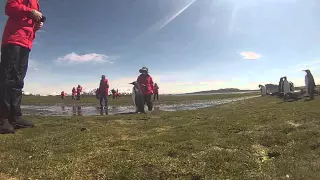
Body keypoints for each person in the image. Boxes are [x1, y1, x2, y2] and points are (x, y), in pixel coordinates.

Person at [0, 0, 44, 134]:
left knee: (18, 80)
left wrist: (36, 26)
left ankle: (15, 117)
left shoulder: (36, 2)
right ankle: (2, 119)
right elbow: (10, 7)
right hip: (14, 39)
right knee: (7, 79)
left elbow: (28, 22)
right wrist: (31, 12)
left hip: (26, 43)